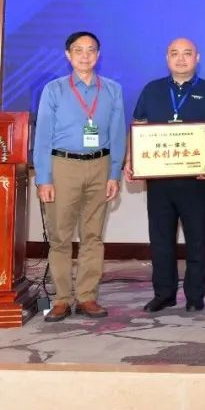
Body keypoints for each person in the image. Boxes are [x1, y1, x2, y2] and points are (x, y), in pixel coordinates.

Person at [127, 38, 205, 313]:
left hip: (196, 182)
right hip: (159, 180)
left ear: (197, 58)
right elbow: (138, 125)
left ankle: (195, 296)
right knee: (161, 240)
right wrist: (130, 160)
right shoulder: (152, 90)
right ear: (166, 58)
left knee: (197, 240)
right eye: (174, 53)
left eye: (187, 53)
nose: (181, 59)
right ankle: (164, 294)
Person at [34, 31, 126, 322]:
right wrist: (44, 178)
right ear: (68, 55)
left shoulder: (112, 90)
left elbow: (117, 134)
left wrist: (114, 173)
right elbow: (43, 136)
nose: (85, 56)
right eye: (78, 50)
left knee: (93, 236)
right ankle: (62, 298)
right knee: (60, 237)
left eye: (91, 50)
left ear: (98, 55)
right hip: (63, 167)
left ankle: (87, 296)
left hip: (100, 166)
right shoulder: (54, 90)